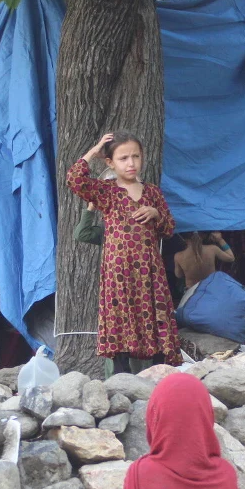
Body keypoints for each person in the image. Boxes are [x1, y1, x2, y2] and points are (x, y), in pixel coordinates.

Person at [68, 131, 179, 374]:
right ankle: (121, 376)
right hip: (119, 273)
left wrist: (156, 214)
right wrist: (94, 151)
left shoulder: (152, 193)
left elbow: (169, 228)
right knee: (120, 319)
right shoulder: (107, 191)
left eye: (136, 156)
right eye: (123, 158)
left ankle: (158, 371)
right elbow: (75, 179)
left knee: (154, 315)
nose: (131, 163)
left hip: (149, 272)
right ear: (110, 163)